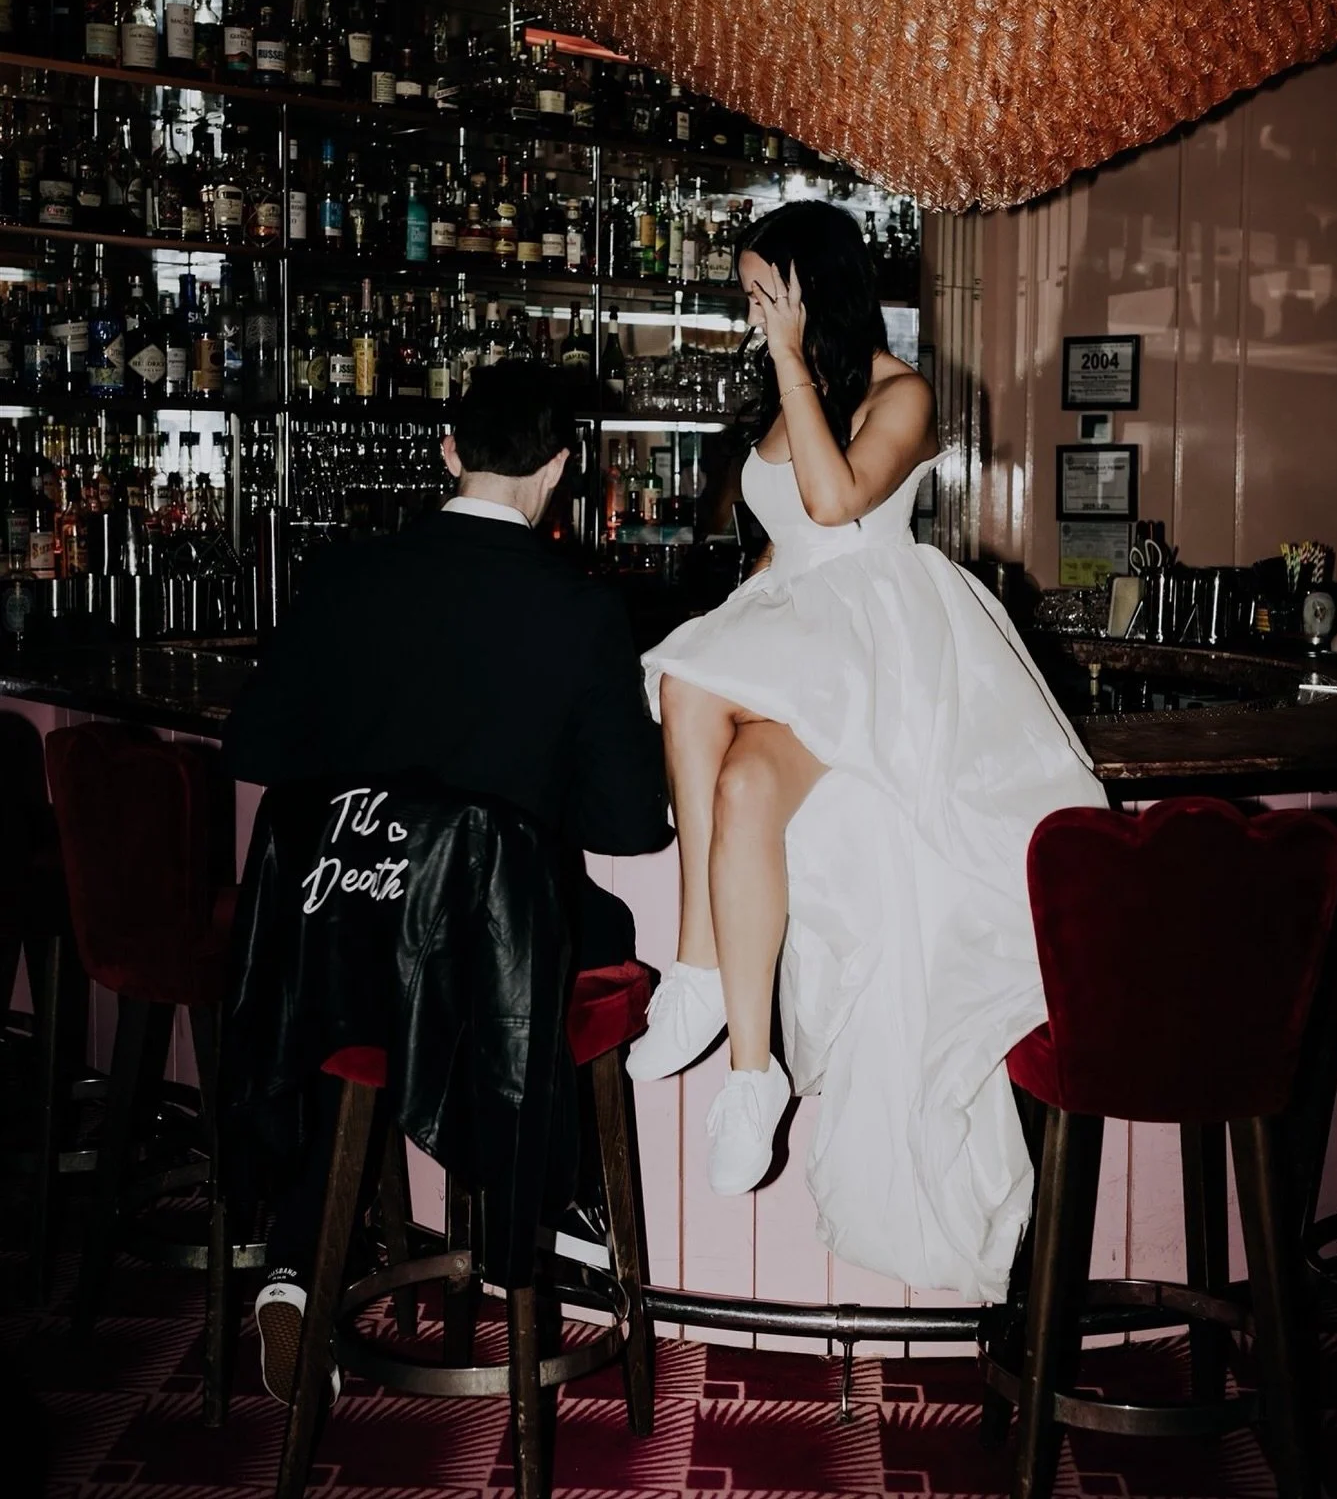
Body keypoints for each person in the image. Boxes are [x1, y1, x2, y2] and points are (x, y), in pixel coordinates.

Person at [628, 200, 1106, 1299]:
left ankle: (705, 983)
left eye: (765, 293)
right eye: (749, 297)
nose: (753, 314)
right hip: (799, 632)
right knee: (737, 777)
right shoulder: (790, 390)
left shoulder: (904, 393)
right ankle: (745, 1057)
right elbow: (779, 551)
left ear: (815, 288)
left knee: (693, 687)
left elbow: (835, 502)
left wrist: (791, 359)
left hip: (875, 645)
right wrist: (733, 629)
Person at [223, 359, 671, 1400]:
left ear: (447, 451)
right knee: (594, 931)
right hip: (490, 966)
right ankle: (541, 1206)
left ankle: (296, 1268)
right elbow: (629, 825)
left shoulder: (342, 578)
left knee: (370, 997)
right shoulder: (581, 612)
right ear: (560, 468)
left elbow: (256, 749)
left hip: (336, 930)